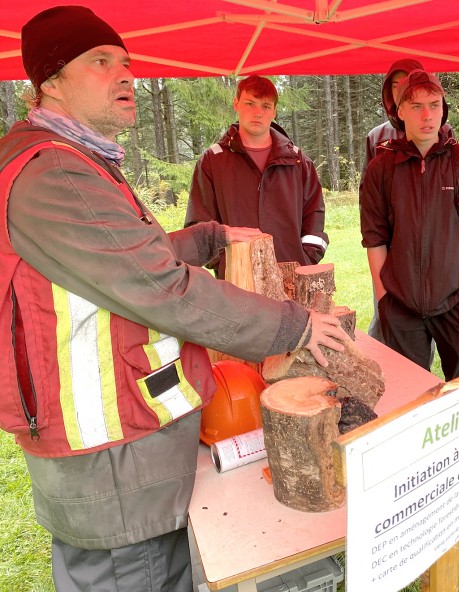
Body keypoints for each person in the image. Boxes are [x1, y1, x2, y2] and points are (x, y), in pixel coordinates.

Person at [1, 7, 346, 591]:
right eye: (100, 62)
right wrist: (293, 326)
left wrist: (211, 237)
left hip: (122, 454)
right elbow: (162, 287)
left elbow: (132, 254)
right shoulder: (54, 174)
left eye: (126, 62)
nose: (125, 75)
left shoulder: (74, 160)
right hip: (109, 464)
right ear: (50, 83)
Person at [360, 70, 459, 380]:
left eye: (434, 105)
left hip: (455, 301)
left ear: (443, 109)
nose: (427, 115)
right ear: (400, 111)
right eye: (417, 106)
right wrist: (384, 299)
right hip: (401, 305)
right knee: (410, 394)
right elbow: (374, 237)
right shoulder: (381, 168)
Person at [185, 75, 328, 278]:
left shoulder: (297, 161)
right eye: (250, 103)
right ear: (236, 104)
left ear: (274, 111)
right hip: (238, 282)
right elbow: (199, 224)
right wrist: (225, 263)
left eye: (266, 106)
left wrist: (305, 259)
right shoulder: (213, 161)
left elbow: (315, 217)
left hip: (291, 278)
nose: (257, 113)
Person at [362, 58, 453, 343]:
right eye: (395, 84)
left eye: (408, 81)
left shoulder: (442, 134)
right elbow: (369, 194)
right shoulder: (377, 137)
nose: (402, 88)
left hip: (433, 248)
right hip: (390, 241)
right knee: (388, 317)